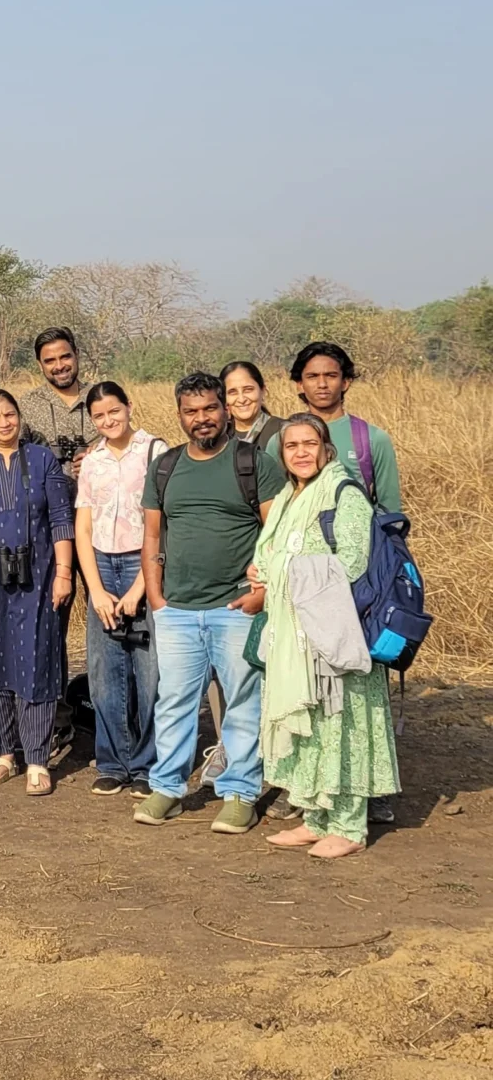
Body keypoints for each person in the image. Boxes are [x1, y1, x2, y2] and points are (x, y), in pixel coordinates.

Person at [133, 372, 283, 832]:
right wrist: (156, 597)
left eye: (210, 409)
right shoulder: (166, 466)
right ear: (180, 415)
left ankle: (239, 793)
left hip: (235, 608)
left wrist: (260, 595)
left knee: (242, 702)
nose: (202, 419)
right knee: (174, 702)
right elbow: (153, 535)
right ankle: (167, 788)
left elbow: (276, 536)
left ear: (225, 409)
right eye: (191, 411)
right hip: (177, 610)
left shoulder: (253, 464)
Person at [248, 413, 399, 858]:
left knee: (343, 724)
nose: (300, 453)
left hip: (333, 632)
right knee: (312, 727)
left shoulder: (343, 493)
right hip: (295, 634)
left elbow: (352, 563)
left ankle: (349, 826)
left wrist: (283, 570)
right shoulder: (289, 496)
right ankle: (316, 818)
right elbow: (273, 551)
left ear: (325, 448)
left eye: (309, 444)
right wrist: (263, 569)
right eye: (291, 445)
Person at [0, 388, 74, 795]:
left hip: (40, 575)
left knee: (37, 658)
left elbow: (61, 518)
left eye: (9, 414)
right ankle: (3, 752)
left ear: (19, 416)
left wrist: (64, 573)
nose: (4, 423)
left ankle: (37, 758)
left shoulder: (42, 459)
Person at [74, 382, 165, 796]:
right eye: (99, 416)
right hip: (101, 564)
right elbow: (83, 527)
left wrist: (139, 587)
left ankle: (147, 765)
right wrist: (95, 589)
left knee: (148, 671)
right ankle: (113, 762)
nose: (108, 420)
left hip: (142, 563)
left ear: (129, 407)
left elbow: (161, 525)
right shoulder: (92, 460)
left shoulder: (155, 451)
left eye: (114, 411)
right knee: (105, 670)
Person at [289, 343, 403, 509]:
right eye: (312, 376)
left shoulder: (373, 439)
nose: (322, 384)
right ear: (300, 384)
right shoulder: (282, 439)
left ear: (345, 382)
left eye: (331, 375)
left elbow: (390, 508)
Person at [17, 330, 97, 485]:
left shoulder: (101, 398)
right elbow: (14, 459)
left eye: (65, 357)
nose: (59, 366)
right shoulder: (26, 405)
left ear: (77, 355)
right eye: (50, 361)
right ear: (40, 365)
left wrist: (99, 458)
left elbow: (126, 448)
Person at [220, 361, 284, 456]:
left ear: (262, 390)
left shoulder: (283, 431)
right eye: (232, 392)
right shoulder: (219, 438)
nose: (241, 399)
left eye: (248, 390)